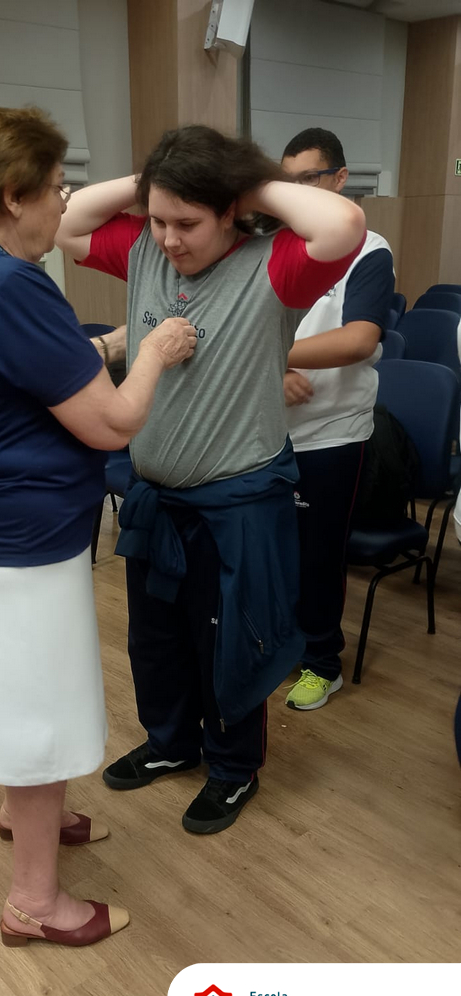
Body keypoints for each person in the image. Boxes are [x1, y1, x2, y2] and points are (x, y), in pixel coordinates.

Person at [0, 106, 196, 946]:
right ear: (13, 196)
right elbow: (112, 424)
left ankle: (21, 814)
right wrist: (154, 351)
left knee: (18, 683)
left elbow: (30, 373)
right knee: (38, 707)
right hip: (26, 537)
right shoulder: (8, 285)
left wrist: (107, 346)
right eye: (56, 187)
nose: (65, 200)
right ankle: (33, 904)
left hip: (0, 523)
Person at [56, 124, 366, 834]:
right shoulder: (145, 251)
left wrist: (241, 182)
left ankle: (232, 768)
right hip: (157, 497)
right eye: (158, 219)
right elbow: (69, 224)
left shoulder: (274, 265)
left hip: (238, 502)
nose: (169, 239)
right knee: (156, 639)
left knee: (231, 644)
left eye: (187, 223)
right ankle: (171, 743)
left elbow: (344, 222)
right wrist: (156, 183)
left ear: (230, 210)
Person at [280, 128, 394, 711]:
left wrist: (271, 357)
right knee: (275, 553)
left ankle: (322, 663)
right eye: (288, 182)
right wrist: (271, 367)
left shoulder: (367, 250)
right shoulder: (280, 245)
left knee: (318, 557)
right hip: (269, 431)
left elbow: (358, 340)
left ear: (340, 178)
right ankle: (283, 648)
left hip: (332, 433)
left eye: (309, 178)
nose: (297, 191)